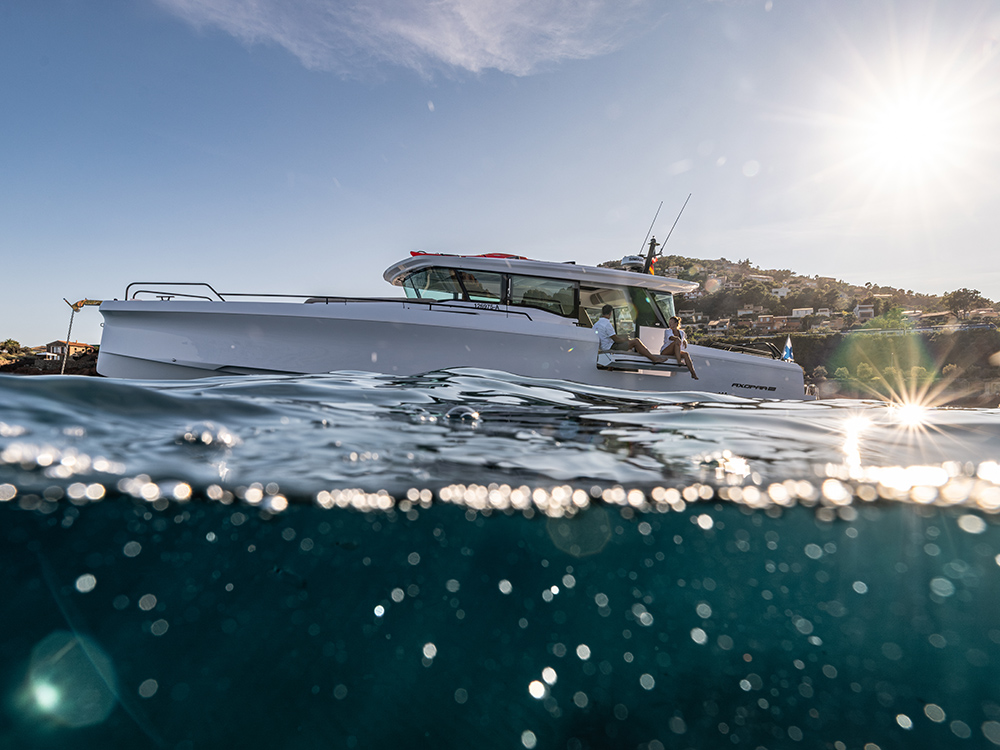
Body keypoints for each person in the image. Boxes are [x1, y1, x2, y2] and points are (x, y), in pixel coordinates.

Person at [593, 304, 667, 363]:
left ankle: (643, 355)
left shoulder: (596, 324)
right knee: (636, 341)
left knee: (631, 342)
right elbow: (616, 339)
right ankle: (654, 359)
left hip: (603, 347)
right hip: (610, 347)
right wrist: (626, 339)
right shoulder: (607, 324)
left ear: (602, 312)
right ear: (610, 313)